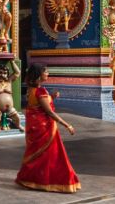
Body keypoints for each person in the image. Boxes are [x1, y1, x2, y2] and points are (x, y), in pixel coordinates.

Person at [15, 64, 80, 193]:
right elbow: (49, 112)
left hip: (35, 128)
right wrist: (67, 125)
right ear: (39, 75)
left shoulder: (31, 90)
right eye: (46, 72)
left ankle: (31, 179)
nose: (48, 74)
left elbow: (37, 105)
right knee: (52, 156)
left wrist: (52, 97)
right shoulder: (40, 91)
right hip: (45, 130)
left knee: (38, 157)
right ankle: (51, 181)